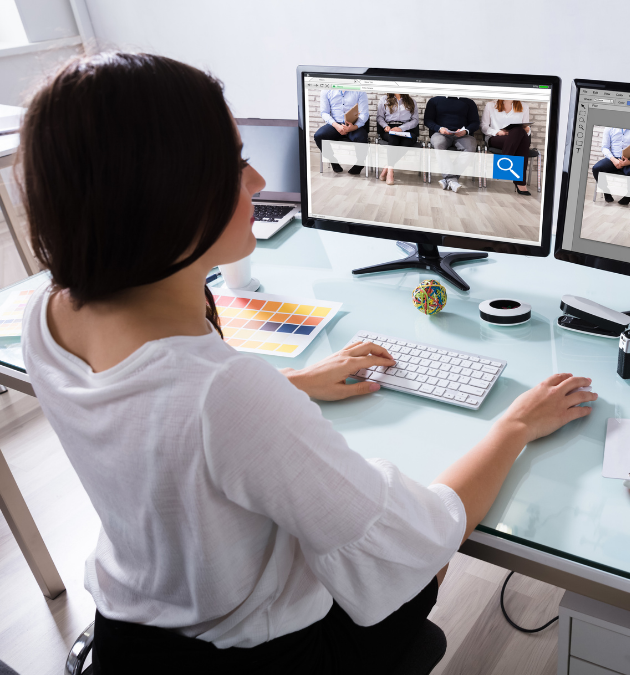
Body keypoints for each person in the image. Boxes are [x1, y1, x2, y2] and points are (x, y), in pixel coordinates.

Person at [19, 52, 597, 675]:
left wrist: (293, 381)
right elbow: (414, 537)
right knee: (426, 548)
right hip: (256, 655)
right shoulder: (224, 394)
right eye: (236, 163)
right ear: (168, 193)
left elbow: (160, 417)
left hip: (129, 632)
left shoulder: (48, 313)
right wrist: (515, 426)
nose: (259, 183)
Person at [424, 96, 480, 193]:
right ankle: (452, 180)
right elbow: (427, 120)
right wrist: (439, 128)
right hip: (441, 133)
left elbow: (475, 122)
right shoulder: (434, 101)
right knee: (438, 144)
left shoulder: (469, 102)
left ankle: (448, 179)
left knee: (470, 147)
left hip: (462, 135)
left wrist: (465, 131)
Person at [481, 100, 532, 196]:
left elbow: (526, 130)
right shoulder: (491, 105)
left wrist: (528, 129)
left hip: (518, 139)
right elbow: (484, 127)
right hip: (496, 138)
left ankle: (504, 164)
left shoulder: (524, 106)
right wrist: (498, 132)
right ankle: (520, 183)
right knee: (520, 135)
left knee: (519, 131)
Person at [314, 88, 369, 175]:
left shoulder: (360, 91)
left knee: (361, 137)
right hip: (335, 124)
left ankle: (360, 163)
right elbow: (324, 112)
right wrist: (336, 126)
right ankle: (332, 160)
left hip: (353, 124)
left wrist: (353, 127)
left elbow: (364, 113)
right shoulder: (326, 90)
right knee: (319, 136)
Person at [376, 93, 419, 185]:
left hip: (406, 128)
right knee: (393, 137)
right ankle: (390, 172)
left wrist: (401, 128)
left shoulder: (412, 101)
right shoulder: (384, 99)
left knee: (409, 140)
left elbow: (415, 120)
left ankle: (388, 166)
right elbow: (380, 117)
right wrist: (385, 126)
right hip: (389, 128)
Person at [591, 127, 630, 205]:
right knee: (596, 168)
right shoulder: (609, 128)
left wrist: (628, 163)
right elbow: (605, 147)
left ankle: (628, 197)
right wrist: (614, 160)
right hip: (612, 158)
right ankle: (606, 192)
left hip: (628, 160)